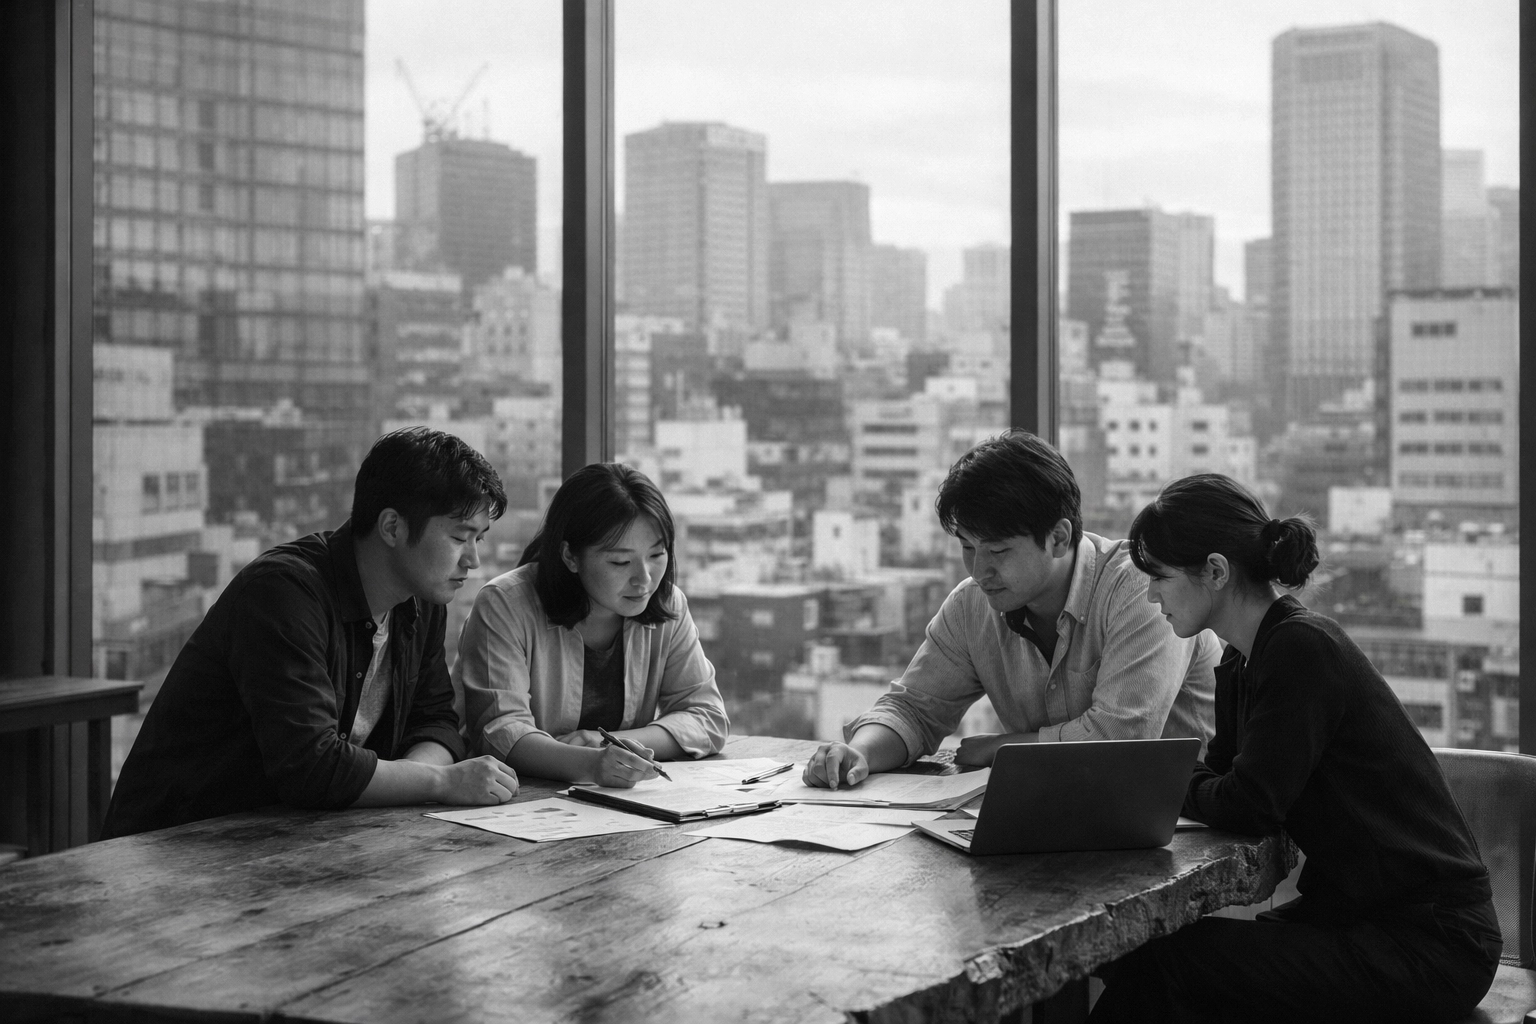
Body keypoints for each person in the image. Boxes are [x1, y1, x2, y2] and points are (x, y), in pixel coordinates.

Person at [1089, 473, 1500, 1023]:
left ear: (1215, 571)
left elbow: (1248, 802)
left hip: (1431, 943)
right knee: (1139, 960)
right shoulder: (1241, 659)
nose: (1150, 595)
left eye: (1159, 577)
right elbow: (1224, 780)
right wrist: (1182, 783)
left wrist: (1162, 781)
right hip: (1362, 919)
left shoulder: (1301, 648)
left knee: (1170, 967)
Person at [102, 428, 521, 839]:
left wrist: (428, 778)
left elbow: (436, 722)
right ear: (392, 527)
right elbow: (312, 766)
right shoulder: (282, 593)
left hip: (302, 840)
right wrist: (440, 783)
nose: (474, 561)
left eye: (480, 540)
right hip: (179, 844)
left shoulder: (423, 597)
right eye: (459, 538)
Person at [804, 429, 1220, 790]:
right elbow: (913, 709)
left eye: (999, 550)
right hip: (1063, 809)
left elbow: (1123, 736)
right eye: (968, 546)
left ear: (1059, 537)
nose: (980, 570)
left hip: (1188, 820)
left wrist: (1005, 746)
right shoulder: (972, 605)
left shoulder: (1140, 587)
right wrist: (858, 752)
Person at [457, 462, 728, 788]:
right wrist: (594, 764)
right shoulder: (505, 603)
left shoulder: (667, 603)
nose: (644, 579)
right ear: (570, 556)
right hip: (510, 801)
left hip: (615, 805)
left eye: (657, 555)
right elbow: (500, 731)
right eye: (620, 562)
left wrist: (610, 743)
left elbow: (706, 717)